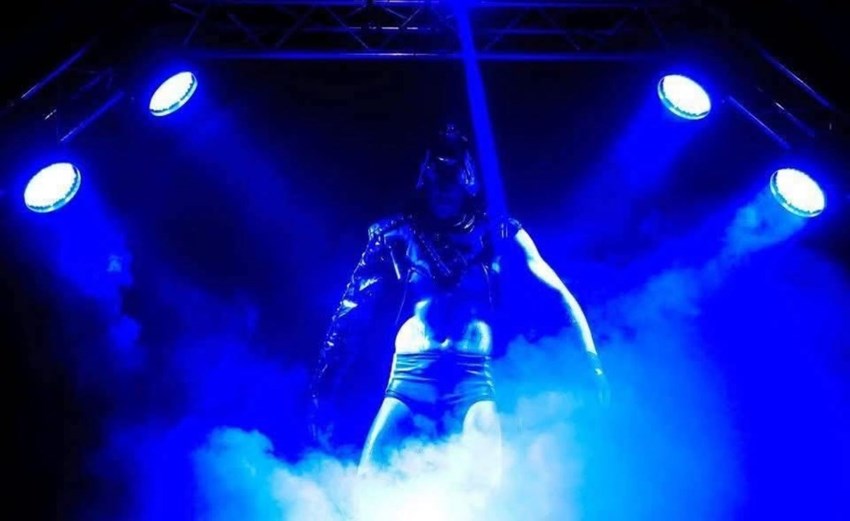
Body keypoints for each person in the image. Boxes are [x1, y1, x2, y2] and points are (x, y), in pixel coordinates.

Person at [309, 124, 608, 481]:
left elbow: (558, 295)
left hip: (471, 379)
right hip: (409, 375)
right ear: (425, 179)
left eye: (451, 182)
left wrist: (591, 363)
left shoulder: (499, 232)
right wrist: (324, 391)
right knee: (368, 483)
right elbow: (351, 314)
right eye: (437, 181)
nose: (443, 191)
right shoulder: (396, 234)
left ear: (466, 181)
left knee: (484, 491)